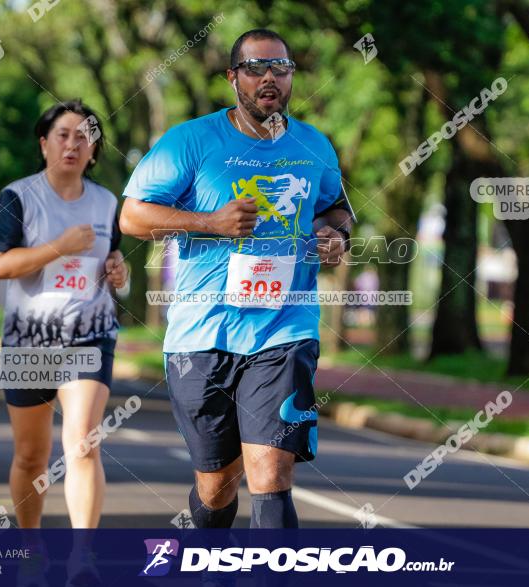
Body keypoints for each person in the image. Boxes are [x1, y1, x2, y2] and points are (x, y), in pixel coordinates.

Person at [120, 29, 354, 529]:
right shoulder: (191, 141)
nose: (269, 78)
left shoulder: (313, 145)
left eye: (281, 68)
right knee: (217, 488)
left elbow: (336, 210)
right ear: (233, 78)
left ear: (292, 78)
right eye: (255, 68)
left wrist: (335, 237)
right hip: (203, 333)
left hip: (284, 329)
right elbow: (132, 218)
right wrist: (210, 223)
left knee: (270, 472)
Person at [0, 99, 127, 584]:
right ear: (44, 144)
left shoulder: (109, 202)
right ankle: (31, 542)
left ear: (93, 150)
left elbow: (113, 263)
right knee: (31, 456)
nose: (73, 143)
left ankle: (82, 556)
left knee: (84, 443)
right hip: (28, 340)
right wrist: (58, 247)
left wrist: (117, 270)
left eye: (83, 136)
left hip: (90, 335)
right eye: (63, 135)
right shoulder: (18, 197)